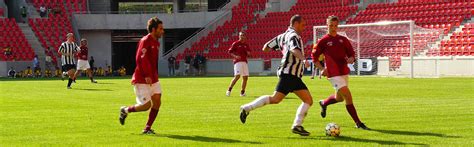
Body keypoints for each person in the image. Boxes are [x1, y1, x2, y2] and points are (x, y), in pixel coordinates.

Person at [239, 15, 314, 136]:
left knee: (277, 99)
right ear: (295, 23)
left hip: (289, 74)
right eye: (302, 25)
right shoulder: (294, 35)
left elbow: (265, 47)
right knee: (307, 100)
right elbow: (295, 49)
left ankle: (247, 108)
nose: (304, 27)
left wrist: (282, 50)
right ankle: (297, 125)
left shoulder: (282, 36)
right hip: (290, 74)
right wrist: (304, 59)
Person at [312, 16, 370, 130]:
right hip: (333, 74)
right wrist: (321, 68)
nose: (333, 28)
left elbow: (352, 54)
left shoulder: (343, 40)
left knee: (340, 98)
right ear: (327, 25)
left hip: (343, 71)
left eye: (335, 26)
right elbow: (314, 57)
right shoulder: (323, 41)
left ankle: (324, 103)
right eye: (330, 26)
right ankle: (358, 123)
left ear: (337, 26)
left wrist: (351, 59)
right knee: (348, 96)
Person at [119, 17, 165, 134]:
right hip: (142, 79)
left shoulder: (156, 42)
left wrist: (153, 75)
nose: (162, 31)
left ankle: (147, 128)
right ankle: (125, 110)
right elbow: (139, 58)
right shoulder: (145, 40)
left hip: (154, 78)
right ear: (153, 29)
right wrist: (146, 75)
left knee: (157, 102)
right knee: (146, 106)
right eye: (160, 29)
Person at [226, 32, 251, 97]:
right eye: (241, 35)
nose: (242, 36)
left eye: (243, 35)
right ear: (239, 36)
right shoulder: (236, 43)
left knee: (245, 77)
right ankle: (229, 90)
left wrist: (248, 53)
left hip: (244, 62)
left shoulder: (246, 45)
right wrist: (235, 56)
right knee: (237, 76)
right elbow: (230, 52)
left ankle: (242, 92)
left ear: (245, 36)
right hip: (237, 62)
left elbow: (249, 53)